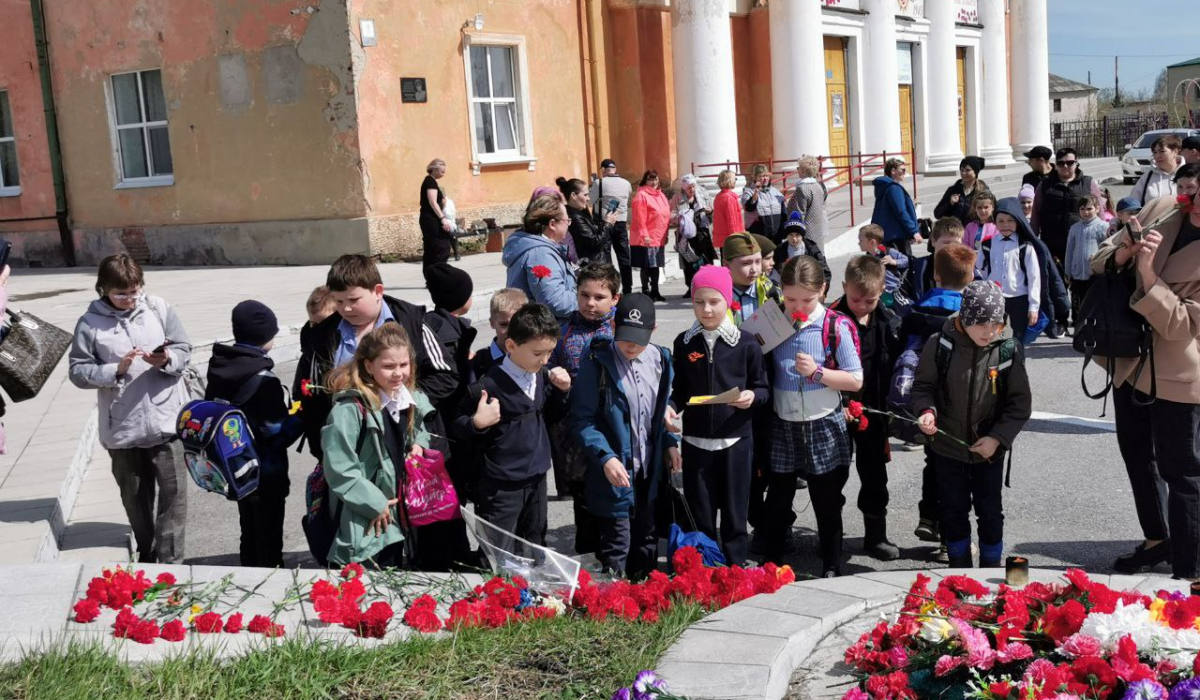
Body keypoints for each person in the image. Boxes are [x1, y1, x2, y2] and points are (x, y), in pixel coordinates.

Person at [1093, 187, 1200, 578]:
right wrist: (1125, 253)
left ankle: (1190, 570)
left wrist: (1149, 272)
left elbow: (1182, 325)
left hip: (1180, 373)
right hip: (1131, 360)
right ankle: (1157, 540)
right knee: (1137, 457)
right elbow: (1099, 259)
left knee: (1182, 471)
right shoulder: (1164, 208)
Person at [68, 254, 192, 564]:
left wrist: (167, 360)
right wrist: (115, 370)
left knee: (174, 496)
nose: (129, 298)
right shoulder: (89, 323)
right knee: (135, 498)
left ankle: (171, 562)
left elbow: (183, 348)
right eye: (121, 293)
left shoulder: (158, 308)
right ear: (103, 289)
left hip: (166, 421)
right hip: (123, 426)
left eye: (134, 291)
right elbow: (78, 371)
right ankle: (148, 551)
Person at [912, 282, 1032, 568]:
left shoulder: (1008, 349)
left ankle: (991, 567)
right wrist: (926, 410)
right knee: (952, 510)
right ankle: (959, 569)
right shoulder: (939, 344)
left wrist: (997, 438)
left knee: (990, 512)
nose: (989, 331)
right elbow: (923, 387)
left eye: (996, 323)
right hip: (947, 447)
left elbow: (1019, 404)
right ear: (964, 318)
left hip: (988, 451)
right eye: (981, 324)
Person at [760, 256, 862, 575]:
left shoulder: (835, 325)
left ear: (823, 290)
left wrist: (818, 373)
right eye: (790, 299)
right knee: (777, 500)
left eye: (807, 299)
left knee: (826, 500)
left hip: (824, 422)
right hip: (782, 421)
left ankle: (831, 564)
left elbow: (855, 379)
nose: (798, 306)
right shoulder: (772, 318)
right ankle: (772, 563)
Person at [666, 265, 769, 567]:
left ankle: (736, 568)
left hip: (736, 441)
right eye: (699, 302)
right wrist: (671, 407)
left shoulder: (747, 342)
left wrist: (752, 397)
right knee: (701, 513)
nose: (707, 309)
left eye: (714, 301)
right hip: (696, 443)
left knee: (736, 514)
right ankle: (706, 569)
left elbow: (763, 387)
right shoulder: (684, 342)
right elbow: (680, 389)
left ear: (728, 301)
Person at [570, 294, 679, 579]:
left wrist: (669, 442)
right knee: (618, 543)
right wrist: (605, 458)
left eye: (640, 338)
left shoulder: (662, 360)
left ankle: (647, 599)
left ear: (653, 331)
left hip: (650, 469)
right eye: (625, 336)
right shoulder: (597, 363)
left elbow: (660, 413)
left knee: (647, 538)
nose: (631, 345)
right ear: (614, 326)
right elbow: (581, 419)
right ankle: (613, 606)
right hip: (615, 471)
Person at [454, 303, 572, 547]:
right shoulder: (487, 385)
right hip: (501, 485)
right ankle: (500, 586)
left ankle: (529, 585)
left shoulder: (541, 375)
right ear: (511, 346)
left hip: (537, 475)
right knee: (498, 547)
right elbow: (457, 424)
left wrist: (563, 391)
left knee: (535, 541)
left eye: (549, 352)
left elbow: (551, 416)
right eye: (538, 353)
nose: (545, 360)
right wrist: (477, 423)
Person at [295, 254, 429, 460]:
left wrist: (407, 410)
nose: (346, 308)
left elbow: (444, 377)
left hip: (404, 447)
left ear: (378, 292)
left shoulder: (411, 321)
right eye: (338, 301)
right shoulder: (322, 335)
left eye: (353, 300)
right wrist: (322, 445)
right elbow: (310, 395)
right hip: (348, 452)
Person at [321, 324, 434, 567]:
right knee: (363, 583)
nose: (398, 373)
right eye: (388, 366)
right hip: (363, 513)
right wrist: (375, 503)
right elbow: (339, 469)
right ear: (369, 366)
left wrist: (418, 445)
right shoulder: (349, 409)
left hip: (397, 511)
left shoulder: (406, 398)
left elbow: (420, 429)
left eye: (403, 365)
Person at [204, 301, 302, 568]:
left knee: (248, 530)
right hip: (265, 473)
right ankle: (270, 584)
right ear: (265, 335)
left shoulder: (220, 366)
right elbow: (277, 433)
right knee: (269, 537)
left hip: (235, 468)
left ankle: (248, 573)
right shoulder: (263, 380)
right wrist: (303, 415)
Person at [901, 243, 977, 560]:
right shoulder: (973, 315)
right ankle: (951, 537)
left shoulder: (919, 309)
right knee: (959, 472)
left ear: (935, 274)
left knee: (934, 461)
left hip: (927, 400)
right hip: (964, 404)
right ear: (971, 277)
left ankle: (928, 516)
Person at [829, 256, 902, 562]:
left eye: (869, 301)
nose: (861, 306)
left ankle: (876, 536)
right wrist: (842, 403)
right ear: (844, 287)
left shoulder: (888, 320)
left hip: (873, 411)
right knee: (832, 476)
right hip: (837, 410)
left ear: (882, 290)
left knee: (874, 476)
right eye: (855, 299)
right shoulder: (830, 320)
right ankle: (830, 536)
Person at [415, 262, 478, 570]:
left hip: (446, 423)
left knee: (446, 493)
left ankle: (452, 551)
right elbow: (448, 379)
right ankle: (450, 555)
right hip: (444, 424)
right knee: (449, 491)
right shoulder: (440, 329)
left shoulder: (437, 324)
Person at [548, 263, 620, 510]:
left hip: (615, 422)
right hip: (576, 424)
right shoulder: (563, 333)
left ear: (615, 298)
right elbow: (548, 368)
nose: (590, 303)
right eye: (584, 295)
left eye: (599, 297)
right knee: (582, 492)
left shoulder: (621, 331)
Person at [502, 193, 578, 320]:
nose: (568, 225)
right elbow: (555, 302)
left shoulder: (536, 248)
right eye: (566, 221)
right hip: (544, 332)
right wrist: (585, 298)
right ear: (552, 224)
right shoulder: (540, 254)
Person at [976, 200, 1042, 343]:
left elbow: (1034, 278)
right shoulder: (987, 245)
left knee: (1016, 341)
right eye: (1001, 221)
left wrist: (1033, 307)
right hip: (994, 300)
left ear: (1018, 221)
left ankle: (1017, 365)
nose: (1005, 224)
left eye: (1010, 220)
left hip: (1019, 301)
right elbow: (980, 272)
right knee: (994, 340)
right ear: (995, 222)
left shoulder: (1025, 246)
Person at [1031, 147, 1104, 274]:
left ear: (1076, 163)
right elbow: (1036, 214)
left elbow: (1100, 213)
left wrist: (1104, 240)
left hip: (1082, 244)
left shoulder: (1088, 183)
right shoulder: (1045, 185)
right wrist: (1033, 240)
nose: (1065, 166)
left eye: (1070, 163)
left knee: (1081, 284)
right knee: (1057, 286)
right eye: (1061, 163)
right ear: (1056, 165)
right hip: (1053, 244)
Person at [1064, 195, 1109, 335]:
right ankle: (1080, 331)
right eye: (1082, 209)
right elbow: (1069, 250)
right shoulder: (1075, 228)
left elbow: (1107, 247)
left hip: (1094, 273)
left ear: (1097, 208)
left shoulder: (1102, 226)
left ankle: (1096, 329)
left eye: (1089, 208)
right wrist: (1068, 270)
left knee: (1095, 303)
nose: (1086, 212)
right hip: (1077, 273)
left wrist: (1099, 260)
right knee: (1079, 303)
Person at [589, 158, 635, 295]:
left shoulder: (599, 183)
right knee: (624, 257)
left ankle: (610, 288)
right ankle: (628, 288)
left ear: (603, 170)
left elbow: (591, 201)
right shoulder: (626, 183)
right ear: (615, 169)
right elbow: (628, 198)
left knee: (606, 257)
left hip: (605, 223)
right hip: (620, 222)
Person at [630, 170, 671, 303]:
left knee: (656, 266)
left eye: (655, 179)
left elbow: (665, 216)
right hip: (646, 237)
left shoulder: (661, 195)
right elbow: (639, 218)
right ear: (645, 181)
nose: (653, 182)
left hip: (659, 237)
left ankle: (655, 290)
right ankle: (645, 291)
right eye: (650, 179)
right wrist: (644, 235)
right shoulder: (641, 195)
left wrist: (666, 234)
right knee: (646, 266)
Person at [671, 173, 715, 296]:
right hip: (686, 235)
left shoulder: (703, 195)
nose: (692, 189)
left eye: (693, 186)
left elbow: (712, 211)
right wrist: (680, 217)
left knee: (706, 260)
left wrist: (710, 211)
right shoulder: (677, 198)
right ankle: (691, 287)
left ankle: (708, 285)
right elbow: (671, 215)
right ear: (684, 188)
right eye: (689, 187)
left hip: (702, 233)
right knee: (688, 262)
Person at [723, 232, 780, 326]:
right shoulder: (718, 297)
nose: (754, 269)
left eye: (758, 262)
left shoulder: (771, 291)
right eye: (746, 263)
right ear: (726, 265)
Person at [471, 289, 528, 381]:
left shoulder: (531, 355)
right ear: (492, 323)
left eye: (516, 324)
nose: (511, 331)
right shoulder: (480, 361)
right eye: (504, 325)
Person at [560, 176, 618, 265]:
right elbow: (595, 243)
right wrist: (608, 223)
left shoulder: (581, 212)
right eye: (585, 195)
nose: (588, 198)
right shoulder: (575, 218)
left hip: (597, 263)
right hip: (593, 266)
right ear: (573, 196)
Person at [871, 158, 921, 257]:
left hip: (886, 236)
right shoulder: (894, 188)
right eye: (902, 170)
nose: (905, 173)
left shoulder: (885, 186)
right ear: (893, 171)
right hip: (896, 237)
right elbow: (901, 212)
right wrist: (913, 231)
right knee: (902, 266)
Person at [908, 217, 966, 302]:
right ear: (933, 241)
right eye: (946, 243)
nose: (951, 248)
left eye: (956, 243)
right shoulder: (918, 267)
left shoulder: (967, 267)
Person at [775, 212, 832, 293]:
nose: (794, 238)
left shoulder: (812, 249)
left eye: (797, 235)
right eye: (791, 235)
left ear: (802, 235)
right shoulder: (779, 251)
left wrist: (823, 293)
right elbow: (773, 274)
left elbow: (825, 272)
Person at [858, 224, 908, 307]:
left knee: (897, 311)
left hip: (894, 291)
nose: (858, 243)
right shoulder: (867, 259)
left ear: (872, 242)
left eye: (861, 240)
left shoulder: (888, 252)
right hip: (879, 293)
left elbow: (906, 260)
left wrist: (894, 261)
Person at [420, 158, 455, 271]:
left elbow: (435, 202)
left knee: (431, 248)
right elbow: (432, 202)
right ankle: (437, 274)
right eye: (442, 172)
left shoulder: (431, 181)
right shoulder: (430, 181)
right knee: (441, 247)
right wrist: (443, 218)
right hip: (431, 219)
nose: (443, 174)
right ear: (434, 169)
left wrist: (443, 203)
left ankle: (431, 276)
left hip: (429, 218)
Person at [785, 155, 829, 246]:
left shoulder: (802, 188)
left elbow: (798, 214)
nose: (797, 170)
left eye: (798, 168)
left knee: (806, 259)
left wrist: (794, 235)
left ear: (803, 171)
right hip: (818, 231)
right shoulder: (818, 186)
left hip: (806, 234)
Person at [934, 156, 989, 226]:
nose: (964, 173)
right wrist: (950, 204)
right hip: (955, 233)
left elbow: (990, 212)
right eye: (962, 170)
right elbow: (937, 214)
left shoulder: (983, 190)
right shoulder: (953, 190)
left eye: (967, 170)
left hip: (975, 232)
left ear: (975, 172)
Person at [1131, 135, 1183, 205]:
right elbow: (1132, 202)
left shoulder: (1187, 173)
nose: (1157, 156)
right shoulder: (1148, 176)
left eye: (1162, 151)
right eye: (1155, 152)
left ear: (1175, 152)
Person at [741, 164, 786, 241]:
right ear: (755, 177)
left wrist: (784, 229)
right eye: (761, 176)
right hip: (759, 235)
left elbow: (784, 213)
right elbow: (749, 208)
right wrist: (756, 193)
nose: (765, 179)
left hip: (777, 235)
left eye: (766, 176)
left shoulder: (776, 192)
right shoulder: (748, 192)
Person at [712, 169, 743, 257]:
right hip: (730, 237)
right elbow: (732, 220)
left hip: (722, 237)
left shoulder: (718, 196)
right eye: (735, 179)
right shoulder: (729, 198)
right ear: (729, 181)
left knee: (724, 260)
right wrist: (736, 238)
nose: (735, 181)